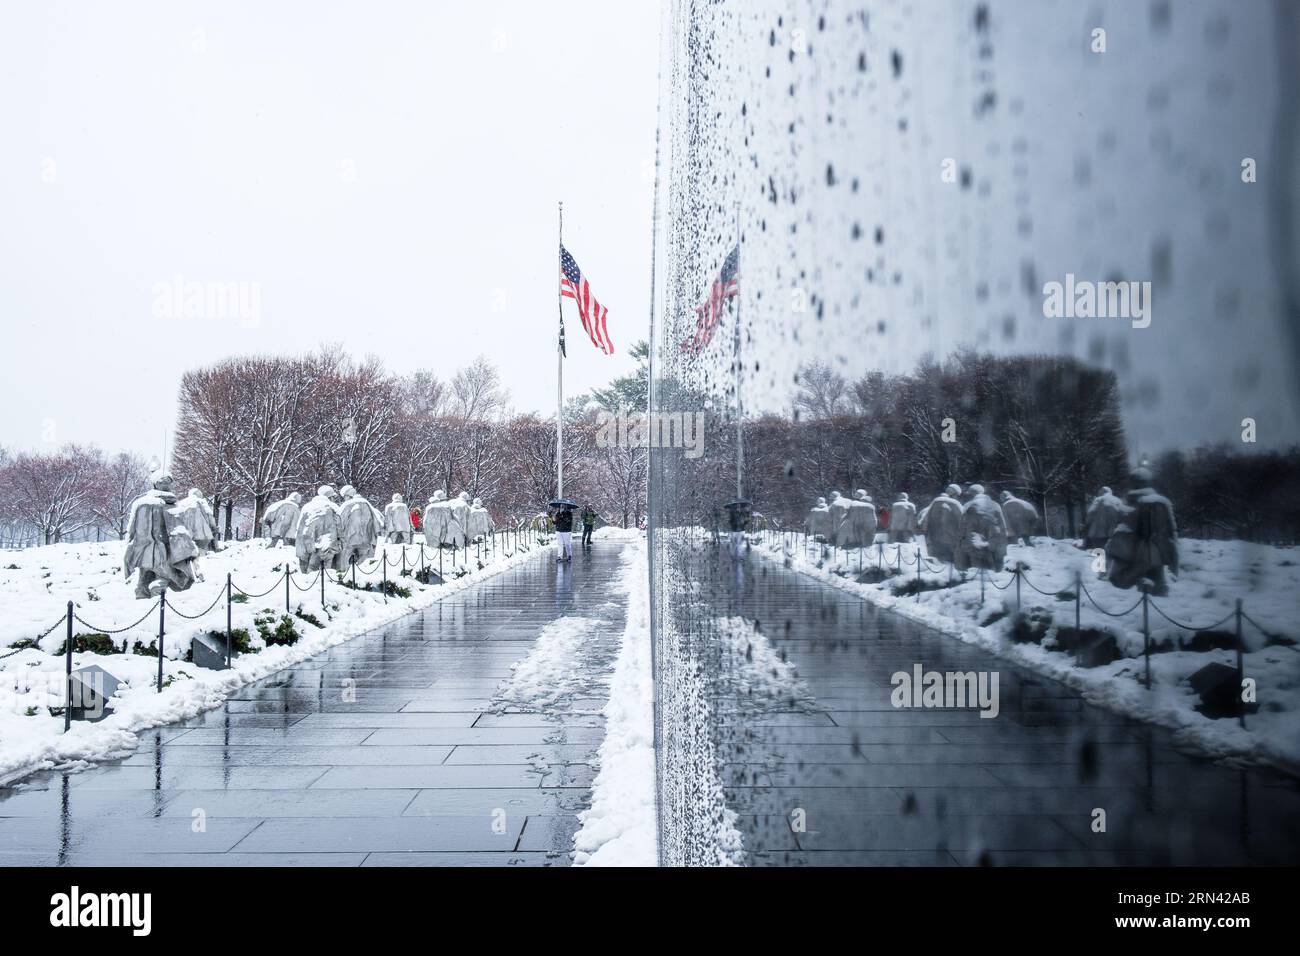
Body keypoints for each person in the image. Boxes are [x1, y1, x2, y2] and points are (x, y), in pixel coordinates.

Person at [123, 471, 202, 598]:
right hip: (161, 549)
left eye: (168, 482)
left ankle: (149, 600)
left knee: (147, 575)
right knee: (158, 574)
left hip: (149, 549)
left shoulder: (146, 503)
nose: (166, 484)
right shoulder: (168, 505)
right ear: (155, 484)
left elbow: (132, 528)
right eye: (162, 482)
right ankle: (153, 599)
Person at [1106, 467, 1179, 596]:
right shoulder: (1161, 502)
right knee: (1158, 584)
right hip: (1155, 552)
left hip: (1135, 553)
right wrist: (1172, 556)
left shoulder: (1128, 503)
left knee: (1125, 583)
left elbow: (1121, 529)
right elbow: (1169, 531)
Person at [955, 484, 1008, 572]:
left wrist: (959, 539)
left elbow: (962, 526)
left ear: (972, 494)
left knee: (977, 572)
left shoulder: (969, 505)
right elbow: (1002, 526)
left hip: (974, 542)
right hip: (994, 541)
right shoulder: (995, 504)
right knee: (992, 571)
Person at [295, 485, 344, 574]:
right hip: (327, 544)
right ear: (329, 497)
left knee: (311, 570)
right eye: (333, 497)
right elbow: (340, 527)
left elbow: (299, 527)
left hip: (308, 544)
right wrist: (342, 542)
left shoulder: (307, 507)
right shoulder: (332, 507)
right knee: (325, 572)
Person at [338, 484, 382, 569]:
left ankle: (343, 577)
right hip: (366, 539)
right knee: (365, 562)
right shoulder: (368, 504)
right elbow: (377, 521)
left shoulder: (347, 505)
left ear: (347, 495)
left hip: (349, 538)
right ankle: (364, 577)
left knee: (344, 560)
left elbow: (340, 521)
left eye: (344, 497)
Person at [919, 484, 963, 563]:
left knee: (937, 563)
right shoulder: (956, 504)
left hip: (935, 540)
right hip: (952, 540)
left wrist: (925, 532)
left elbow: (923, 520)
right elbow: (963, 522)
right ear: (955, 494)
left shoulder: (935, 502)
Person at [174, 487, 218, 552]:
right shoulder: (202, 502)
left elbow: (176, 517)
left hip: (186, 535)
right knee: (202, 553)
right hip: (203, 535)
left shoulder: (181, 503)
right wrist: (214, 529)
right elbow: (211, 519)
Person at [1083, 485, 1124, 550]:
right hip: (1114, 533)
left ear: (1101, 492)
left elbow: (1091, 513)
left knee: (1099, 552)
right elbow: (1122, 515)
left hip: (1098, 533)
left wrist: (1087, 524)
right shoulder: (1118, 501)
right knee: (1111, 553)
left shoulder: (1098, 500)